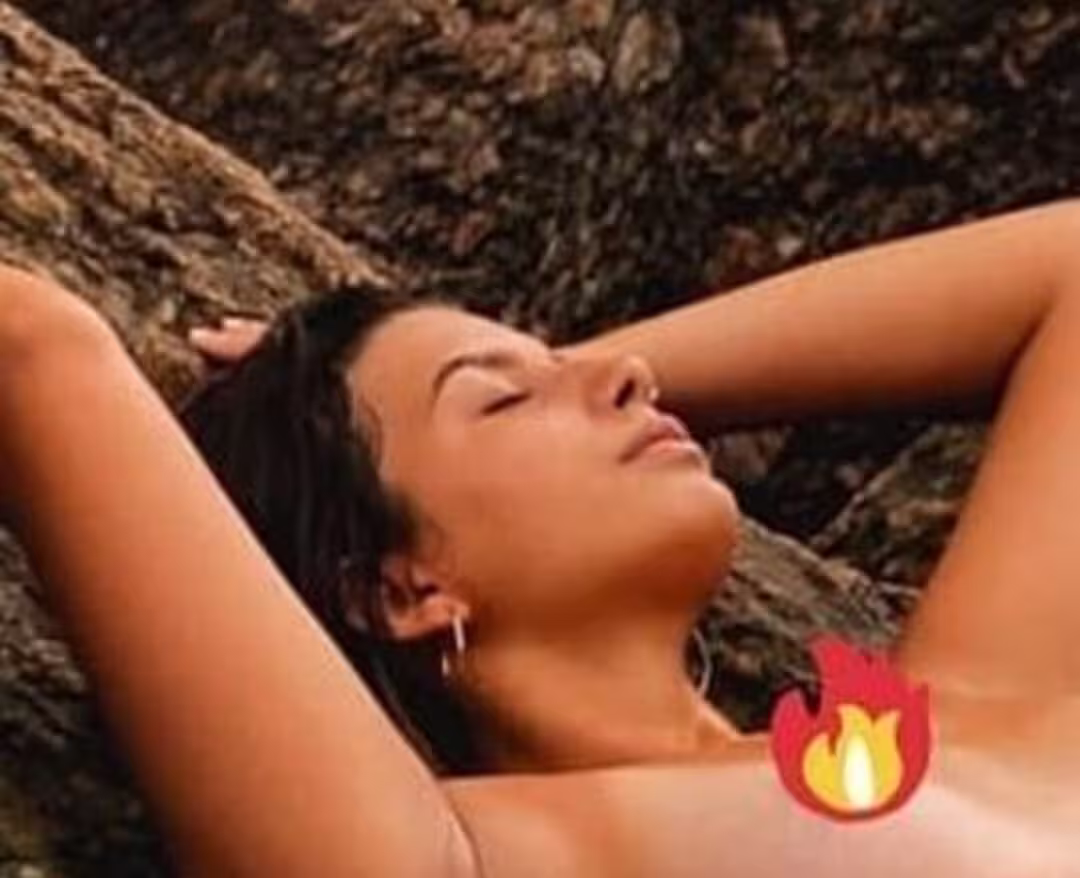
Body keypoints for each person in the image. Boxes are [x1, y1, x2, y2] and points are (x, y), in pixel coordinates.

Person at [1, 200, 1079, 877]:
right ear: (400, 587)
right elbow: (36, 351)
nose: (632, 378)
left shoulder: (972, 710)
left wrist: (563, 365)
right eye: (502, 400)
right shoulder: (468, 854)